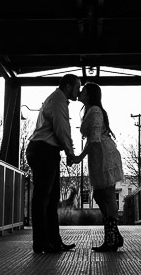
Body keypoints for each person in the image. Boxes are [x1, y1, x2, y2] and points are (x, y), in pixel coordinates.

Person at [25, 73, 80, 253]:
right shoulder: (58, 100)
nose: (78, 92)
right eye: (77, 87)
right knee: (42, 199)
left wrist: (66, 151)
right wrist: (70, 152)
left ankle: (53, 242)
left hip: (46, 150)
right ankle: (41, 242)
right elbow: (61, 128)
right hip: (44, 151)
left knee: (51, 198)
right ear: (68, 86)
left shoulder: (57, 99)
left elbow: (61, 128)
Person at [72, 82, 124, 252]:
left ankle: (112, 237)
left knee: (107, 194)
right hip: (98, 155)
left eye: (83, 90)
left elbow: (94, 139)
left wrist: (79, 156)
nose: (80, 92)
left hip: (103, 155)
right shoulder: (90, 110)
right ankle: (113, 235)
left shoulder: (94, 111)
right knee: (101, 195)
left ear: (89, 94)